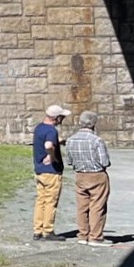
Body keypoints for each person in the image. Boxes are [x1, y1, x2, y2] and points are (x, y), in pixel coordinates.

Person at [65, 110, 112, 245]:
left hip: (80, 175)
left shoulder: (70, 140)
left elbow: (69, 161)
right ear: (93, 124)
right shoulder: (96, 140)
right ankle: (95, 236)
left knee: (82, 207)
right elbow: (105, 162)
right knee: (97, 206)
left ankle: (82, 235)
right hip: (97, 175)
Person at [32, 104, 67, 241]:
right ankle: (48, 230)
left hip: (39, 170)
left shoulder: (39, 128)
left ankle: (37, 229)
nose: (63, 119)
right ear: (56, 117)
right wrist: (52, 157)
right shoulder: (52, 131)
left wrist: (60, 142)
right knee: (51, 201)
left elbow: (44, 140)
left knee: (40, 200)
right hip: (51, 172)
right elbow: (48, 145)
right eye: (62, 116)